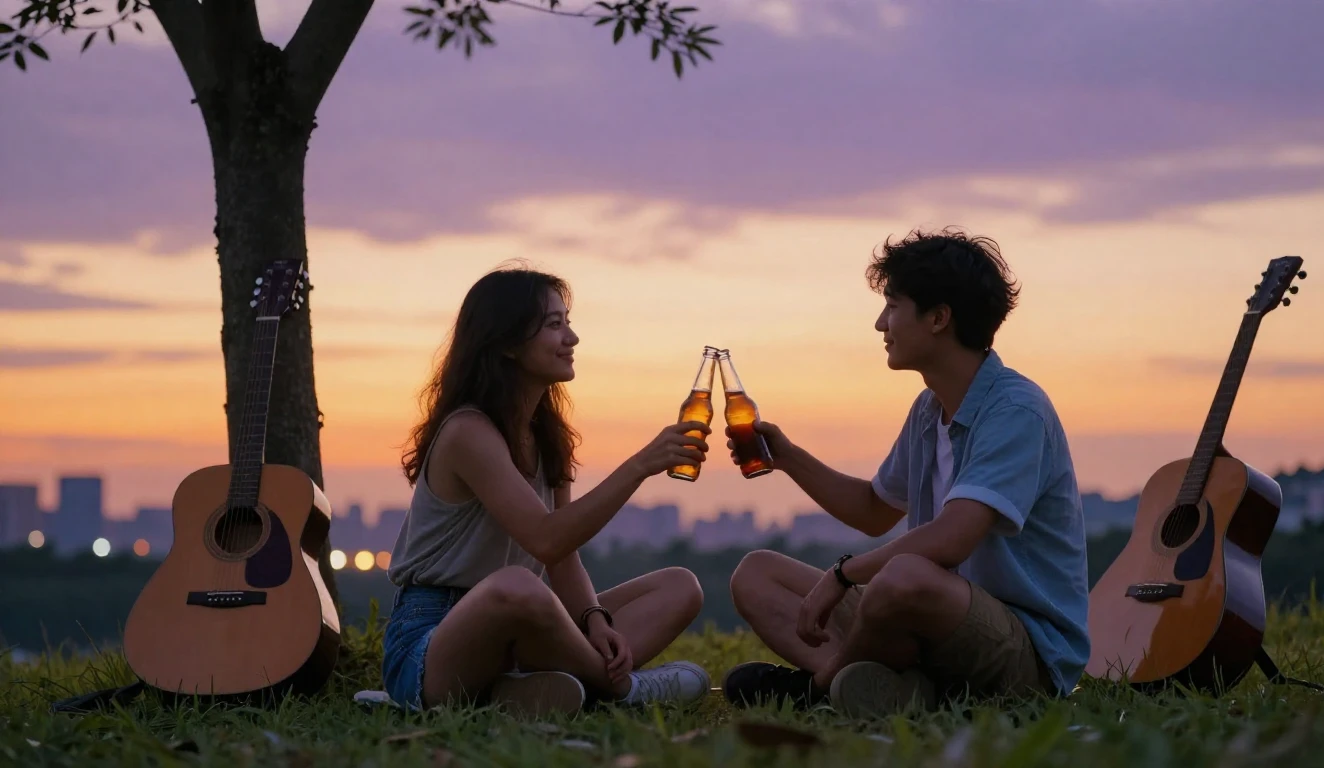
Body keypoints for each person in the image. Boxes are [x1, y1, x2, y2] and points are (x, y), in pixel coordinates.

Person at [721, 228, 1090, 718]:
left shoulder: (1016, 409)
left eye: (893, 306)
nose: (880, 323)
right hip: (928, 620)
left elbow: (954, 538)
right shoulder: (928, 410)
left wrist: (842, 575)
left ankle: (821, 687)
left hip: (1024, 653)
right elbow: (874, 510)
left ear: (939, 318)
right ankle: (904, 689)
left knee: (905, 576)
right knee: (757, 573)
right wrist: (788, 457)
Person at [381, 265, 712, 718]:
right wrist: (639, 466)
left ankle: (521, 691)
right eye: (554, 325)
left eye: (568, 322)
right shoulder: (468, 432)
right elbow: (545, 538)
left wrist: (595, 619)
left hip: (525, 627)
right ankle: (621, 690)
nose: (572, 338)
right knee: (516, 587)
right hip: (433, 639)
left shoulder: (546, 436)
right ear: (506, 343)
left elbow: (562, 556)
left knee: (680, 586)